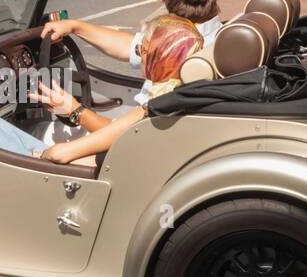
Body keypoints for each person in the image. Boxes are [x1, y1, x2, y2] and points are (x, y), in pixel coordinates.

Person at [39, 0, 223, 105]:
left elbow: (135, 127)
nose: (143, 50)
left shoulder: (171, 50)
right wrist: (75, 27)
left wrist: (74, 110)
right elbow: (130, 46)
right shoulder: (221, 38)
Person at [34, 16, 204, 166]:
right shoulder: (188, 91)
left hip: (117, 162)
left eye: (142, 50)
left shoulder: (158, 104)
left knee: (35, 132)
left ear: (157, 59)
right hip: (130, 157)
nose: (138, 55)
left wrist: (73, 109)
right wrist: (74, 26)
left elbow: (122, 136)